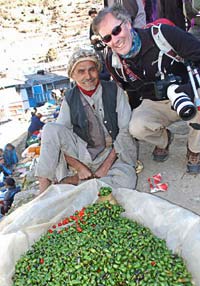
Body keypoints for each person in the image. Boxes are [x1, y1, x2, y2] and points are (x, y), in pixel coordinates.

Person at [92, 4, 200, 174]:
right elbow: (130, 90)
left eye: (116, 31)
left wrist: (189, 89)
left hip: (185, 93)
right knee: (136, 127)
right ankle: (164, 139)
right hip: (154, 103)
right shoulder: (113, 61)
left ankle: (194, 150)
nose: (114, 40)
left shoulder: (163, 34)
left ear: (128, 24)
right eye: (107, 38)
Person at [35, 47, 137, 194]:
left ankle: (79, 181)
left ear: (98, 70)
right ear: (73, 75)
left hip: (112, 151)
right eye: (81, 71)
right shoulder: (70, 98)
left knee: (126, 182)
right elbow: (60, 137)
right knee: (50, 129)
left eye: (92, 69)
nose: (88, 76)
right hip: (82, 153)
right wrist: (79, 166)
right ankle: (43, 191)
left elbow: (125, 129)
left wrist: (106, 165)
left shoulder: (114, 90)